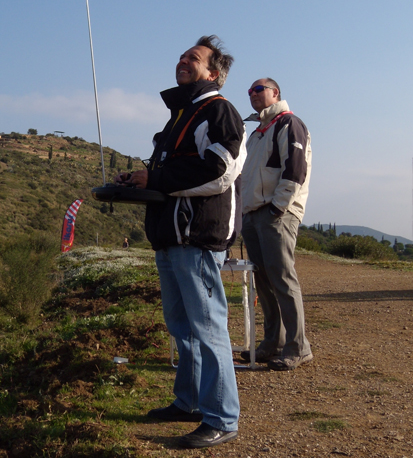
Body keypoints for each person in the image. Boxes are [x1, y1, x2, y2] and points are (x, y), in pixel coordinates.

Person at [116, 36, 246, 449]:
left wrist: (156, 178)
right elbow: (171, 173)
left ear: (214, 73)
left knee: (208, 329)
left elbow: (219, 171)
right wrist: (138, 180)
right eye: (181, 56)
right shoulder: (179, 117)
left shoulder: (219, 111)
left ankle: (222, 418)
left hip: (197, 238)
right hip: (169, 239)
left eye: (194, 57)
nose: (182, 61)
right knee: (182, 328)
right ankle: (188, 401)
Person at [240, 78, 313, 371]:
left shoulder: (289, 123)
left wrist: (277, 207)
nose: (252, 94)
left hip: (276, 214)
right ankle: (274, 342)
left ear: (275, 93)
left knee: (282, 279)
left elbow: (295, 169)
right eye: (249, 91)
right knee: (264, 282)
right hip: (253, 214)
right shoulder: (257, 132)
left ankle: (298, 347)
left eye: (259, 89)